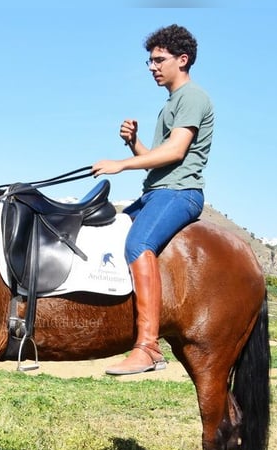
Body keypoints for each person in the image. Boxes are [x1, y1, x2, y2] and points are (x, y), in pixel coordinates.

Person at [92, 24, 214, 376]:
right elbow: (159, 156)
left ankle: (147, 347)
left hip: (180, 192)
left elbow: (176, 153)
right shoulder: (171, 104)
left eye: (159, 60)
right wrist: (134, 144)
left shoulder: (193, 97)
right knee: (110, 236)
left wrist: (122, 164)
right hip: (158, 191)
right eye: (150, 60)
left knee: (138, 244)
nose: (151, 67)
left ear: (183, 59)